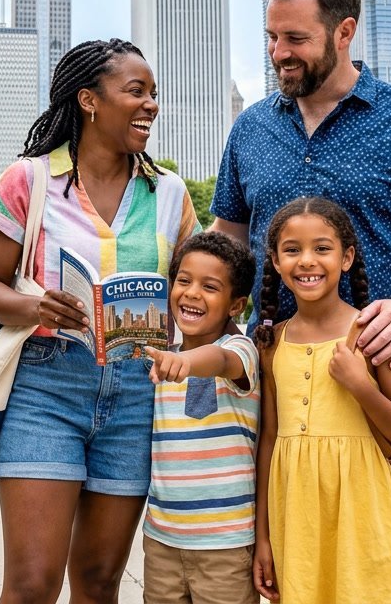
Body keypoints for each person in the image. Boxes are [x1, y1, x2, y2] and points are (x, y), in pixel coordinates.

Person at [210, 0, 391, 603]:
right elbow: (227, 242)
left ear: (344, 31)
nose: (279, 53)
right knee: (293, 564)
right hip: (281, 378)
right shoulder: (250, 128)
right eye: (271, 37)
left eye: (296, 39)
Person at [0, 39, 200, 602]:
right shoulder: (28, 182)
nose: (151, 104)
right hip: (46, 387)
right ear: (89, 100)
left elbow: (193, 291)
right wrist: (36, 306)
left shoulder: (169, 193)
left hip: (135, 395)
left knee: (99, 585)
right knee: (31, 585)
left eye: (154, 94)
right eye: (136, 91)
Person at [251, 198, 391, 604]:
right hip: (296, 514)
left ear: (346, 257)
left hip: (362, 508)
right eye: (292, 250)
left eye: (322, 248)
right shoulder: (271, 342)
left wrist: (362, 387)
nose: (307, 261)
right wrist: (263, 536)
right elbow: (270, 439)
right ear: (276, 261)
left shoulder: (371, 333)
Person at [141, 233, 259, 604]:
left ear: (236, 304)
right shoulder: (164, 357)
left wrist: (187, 363)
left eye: (210, 287)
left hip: (225, 544)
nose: (192, 293)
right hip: (162, 539)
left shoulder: (240, 349)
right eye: (184, 281)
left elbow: (222, 363)